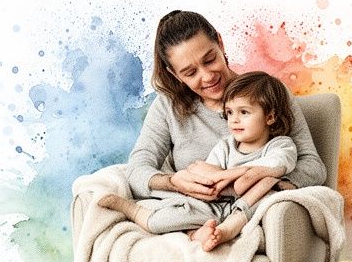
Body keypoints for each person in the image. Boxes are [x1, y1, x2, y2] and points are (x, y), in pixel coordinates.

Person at [98, 10, 327, 245]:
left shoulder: (266, 93)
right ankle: (191, 232)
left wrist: (265, 185)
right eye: (190, 72)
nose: (207, 76)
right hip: (193, 207)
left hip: (250, 212)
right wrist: (173, 182)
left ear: (220, 42)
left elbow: (313, 165)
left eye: (210, 60)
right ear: (174, 74)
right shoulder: (167, 106)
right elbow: (137, 169)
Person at [100, 70, 297, 251]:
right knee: (163, 220)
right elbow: (205, 174)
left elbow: (266, 171)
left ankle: (216, 232)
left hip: (241, 210)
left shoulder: (281, 146)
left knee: (267, 188)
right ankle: (133, 210)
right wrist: (224, 178)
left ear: (270, 116)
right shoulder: (226, 145)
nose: (234, 120)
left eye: (243, 112)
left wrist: (225, 175)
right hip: (214, 203)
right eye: (229, 113)